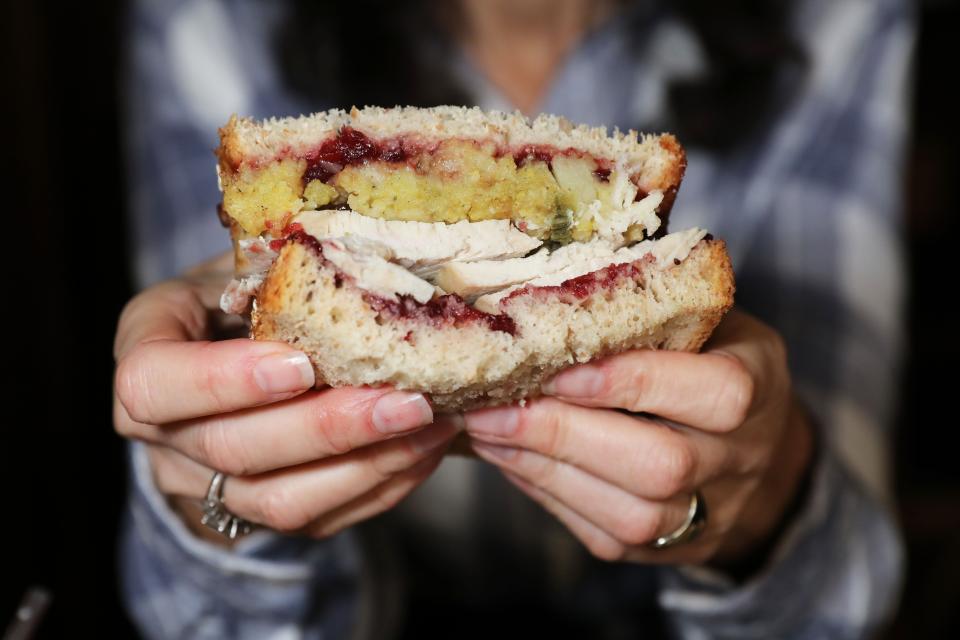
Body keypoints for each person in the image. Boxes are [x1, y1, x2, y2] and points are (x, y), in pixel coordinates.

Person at [114, 0, 913, 637]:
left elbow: (843, 606)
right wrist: (213, 495)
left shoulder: (835, 18)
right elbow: (197, 623)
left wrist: (765, 506)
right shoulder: (211, 19)